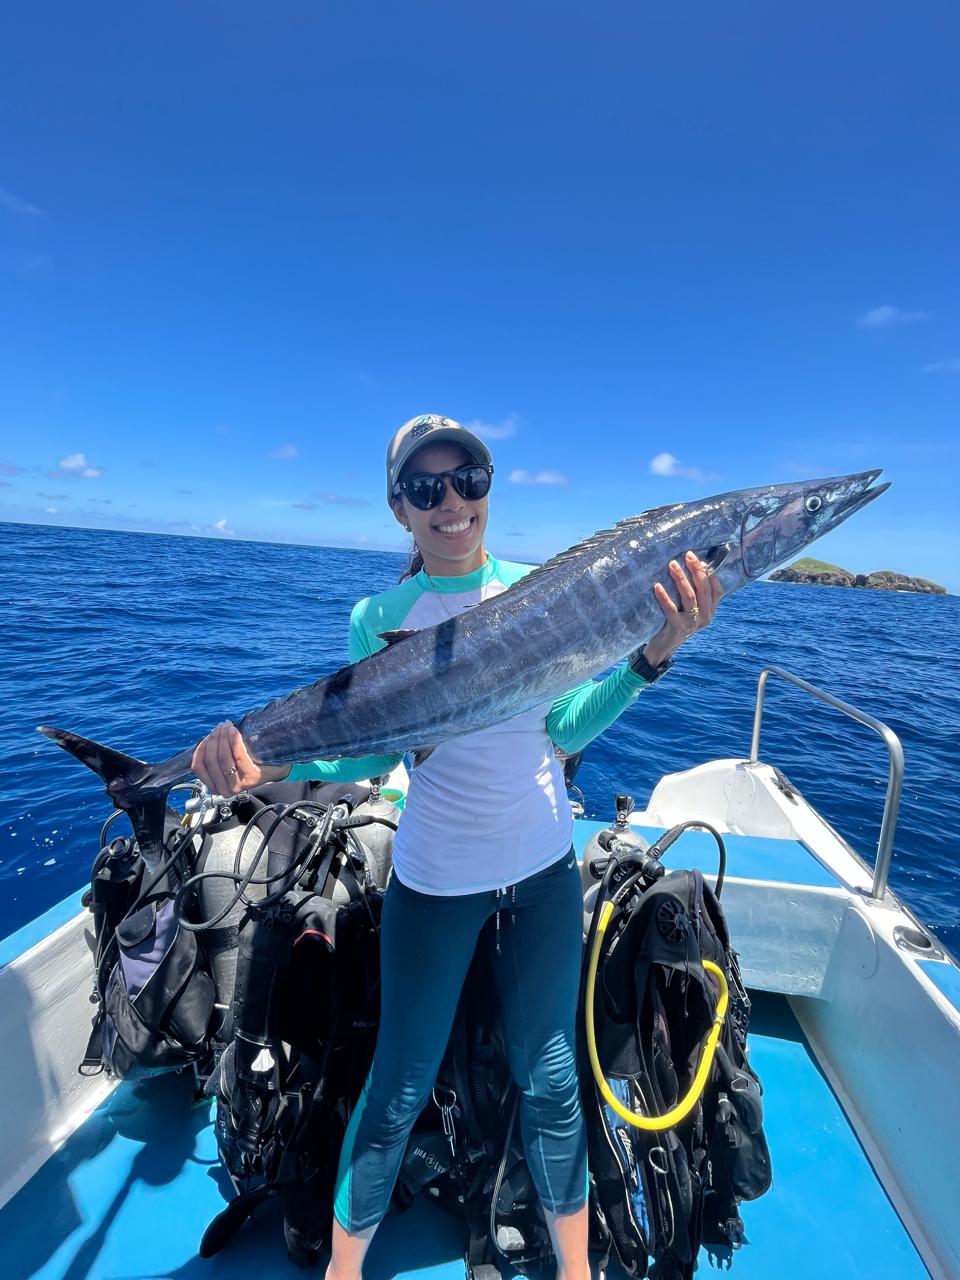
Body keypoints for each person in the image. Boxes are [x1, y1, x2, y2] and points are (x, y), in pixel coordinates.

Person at [192, 413, 722, 1280]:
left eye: (466, 480)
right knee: (397, 1087)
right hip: (436, 881)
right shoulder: (380, 617)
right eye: (425, 487)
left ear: (488, 489)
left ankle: (576, 1272)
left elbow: (561, 728)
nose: (450, 501)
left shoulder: (539, 593)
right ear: (399, 508)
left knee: (552, 1080)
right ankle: (343, 1271)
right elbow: (367, 755)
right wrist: (262, 764)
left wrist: (653, 653)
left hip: (542, 873)